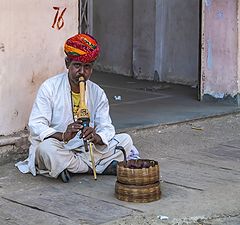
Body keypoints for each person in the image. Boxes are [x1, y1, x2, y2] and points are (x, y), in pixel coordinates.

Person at [16, 33, 139, 182]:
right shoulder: (49, 87)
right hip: (61, 146)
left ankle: (73, 168)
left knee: (125, 140)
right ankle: (98, 167)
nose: (82, 72)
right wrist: (63, 135)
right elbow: (36, 125)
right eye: (77, 66)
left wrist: (97, 137)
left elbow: (106, 127)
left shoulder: (97, 92)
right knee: (45, 149)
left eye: (87, 67)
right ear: (68, 64)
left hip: (88, 149)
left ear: (92, 68)